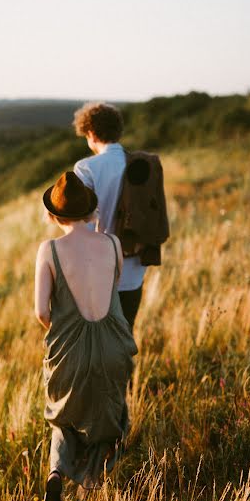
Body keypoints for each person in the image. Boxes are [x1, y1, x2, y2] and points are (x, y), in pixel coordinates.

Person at [35, 171, 137, 501]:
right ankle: (92, 488)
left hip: (70, 347)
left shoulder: (48, 250)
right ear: (87, 210)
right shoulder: (111, 244)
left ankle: (57, 475)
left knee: (64, 416)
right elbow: (114, 285)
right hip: (113, 342)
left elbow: (41, 311)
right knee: (108, 414)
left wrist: (65, 331)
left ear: (54, 214)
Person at [73, 102, 146, 330]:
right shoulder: (143, 164)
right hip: (135, 269)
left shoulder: (86, 168)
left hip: (98, 271)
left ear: (91, 133)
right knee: (125, 336)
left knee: (97, 341)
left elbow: (79, 227)